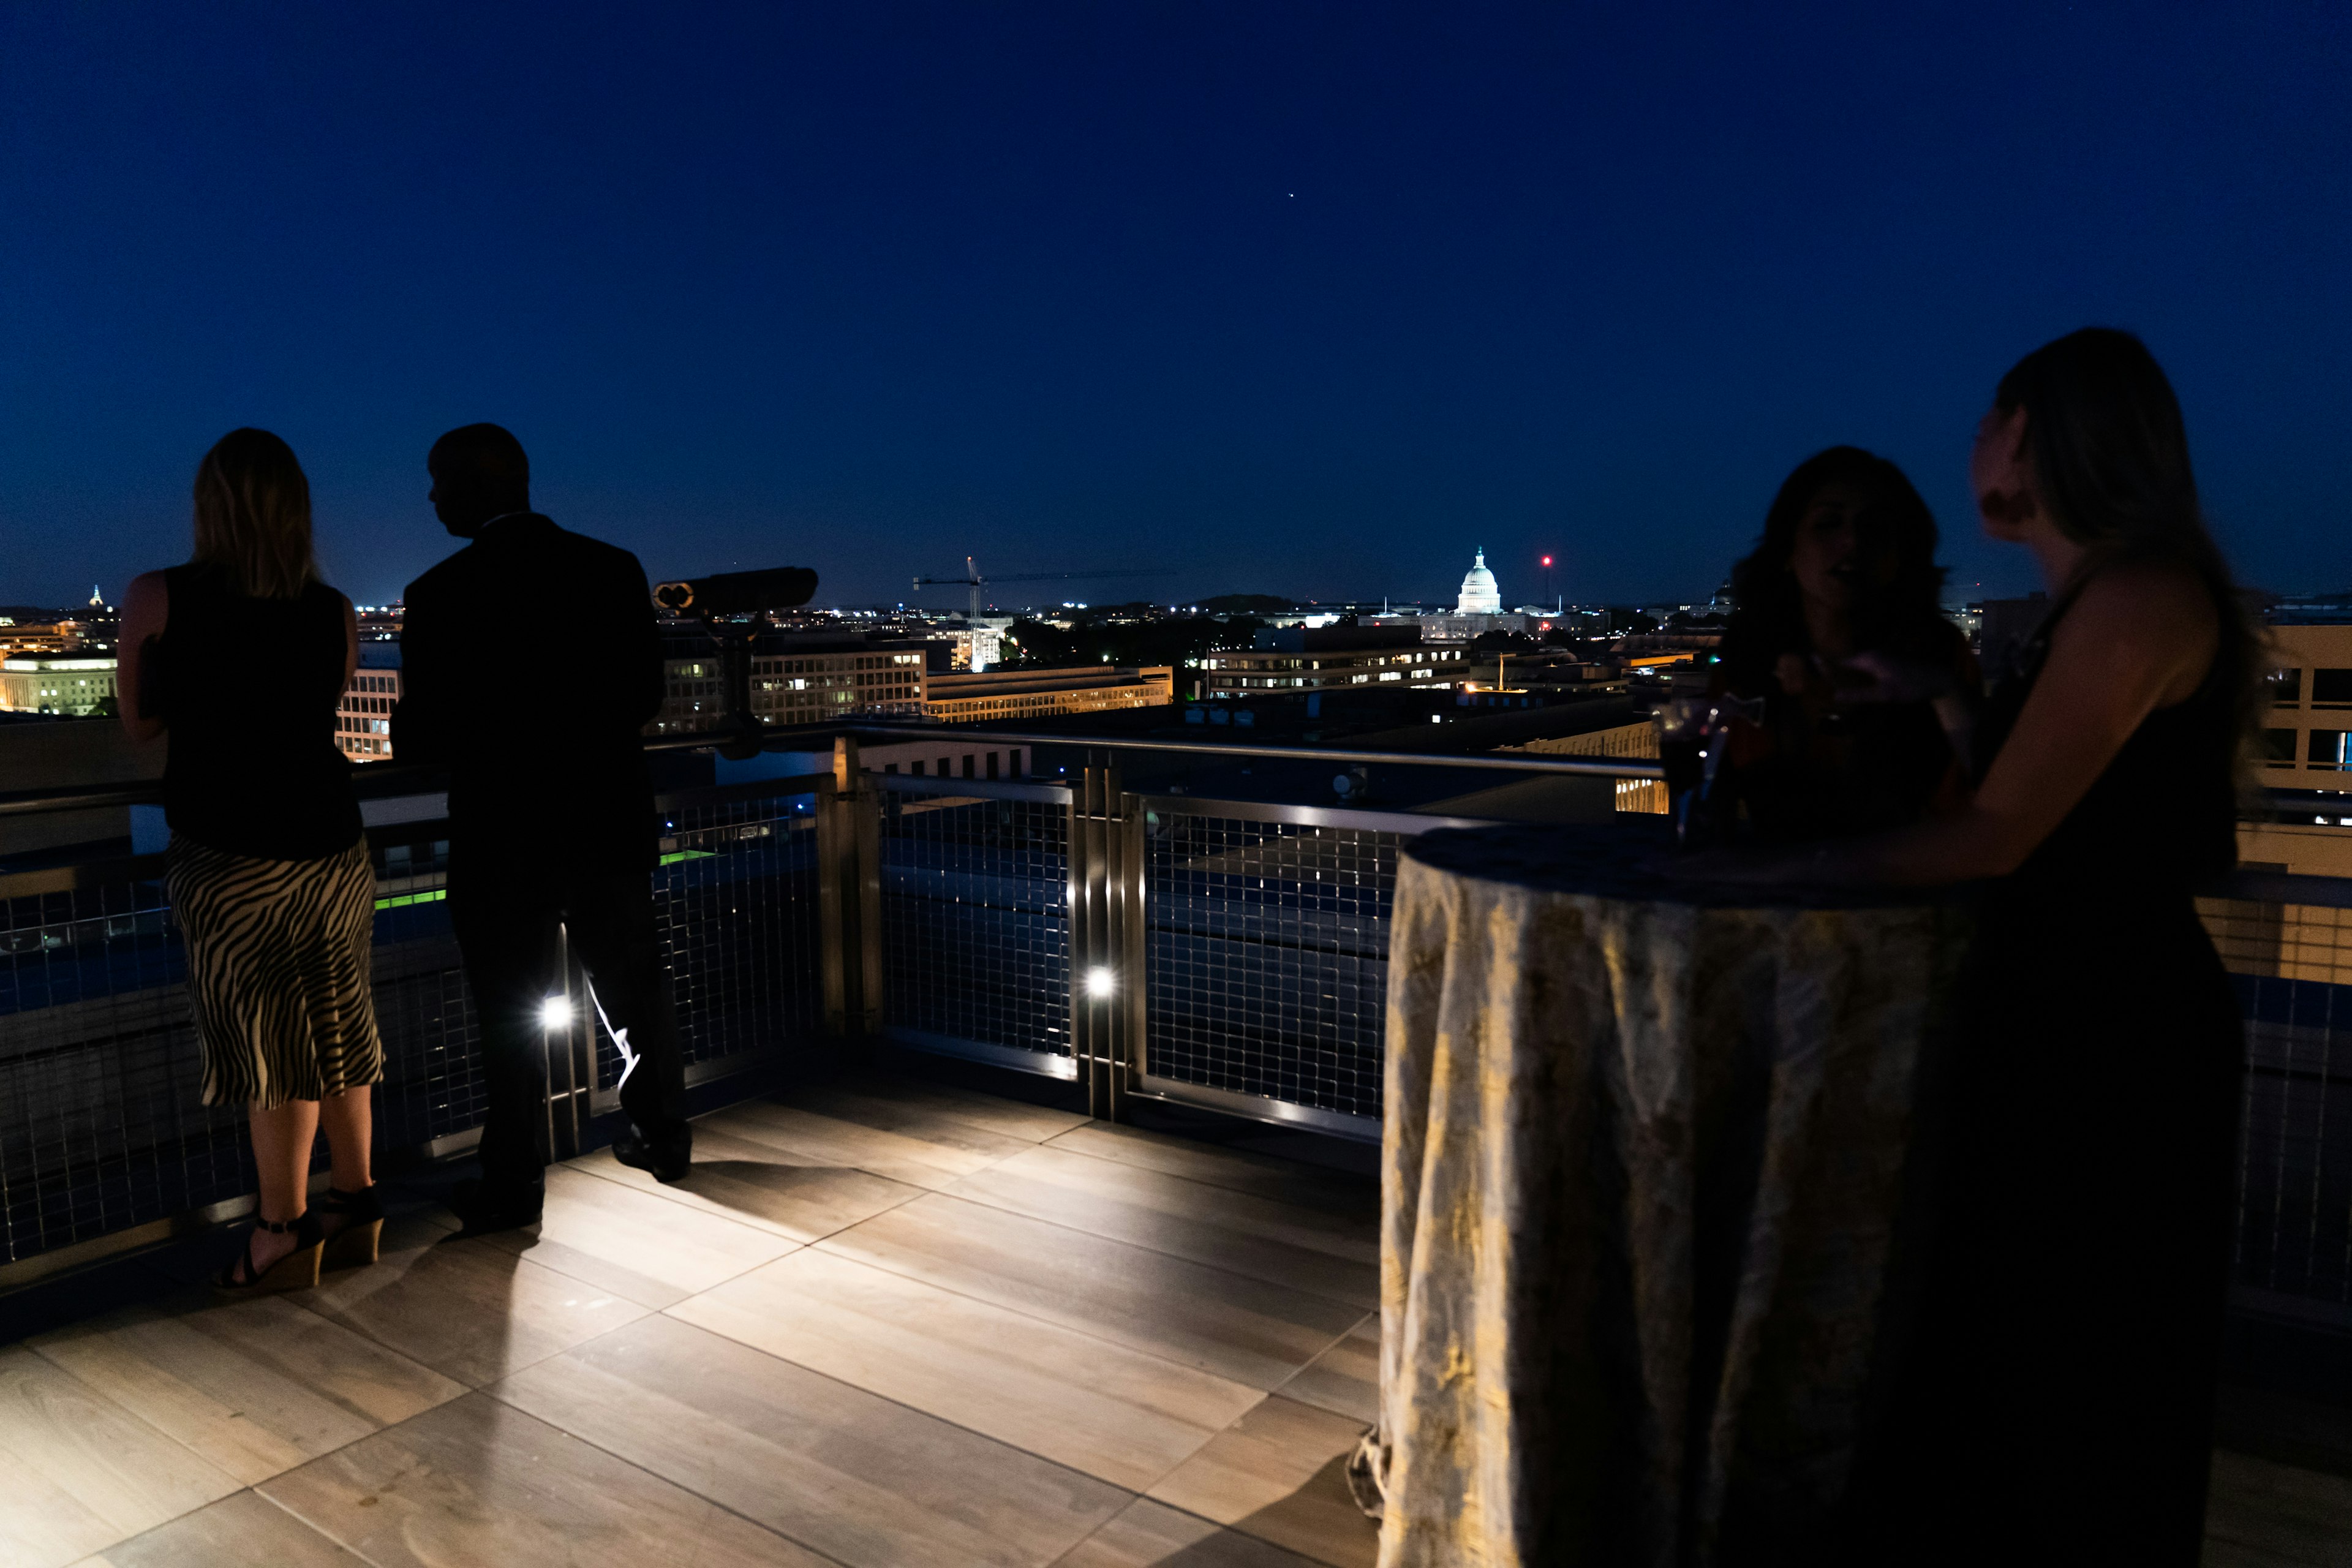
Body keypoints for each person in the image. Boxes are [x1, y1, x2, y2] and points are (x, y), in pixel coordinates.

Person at [1696, 331, 2251, 1562]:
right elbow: (2068, 797)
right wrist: (1944, 700)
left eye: (1998, 417)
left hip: (2109, 1040)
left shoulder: (2135, 597)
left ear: (2053, 438)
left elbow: (2002, 833)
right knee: (2044, 1361)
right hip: (2082, 1019)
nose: (1975, 442)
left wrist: (1772, 869)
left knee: (2075, 1372)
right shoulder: (2106, 598)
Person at [390, 423, 690, 1234]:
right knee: (634, 989)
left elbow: (422, 739)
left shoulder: (440, 593)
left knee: (509, 1016)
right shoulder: (612, 569)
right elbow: (642, 698)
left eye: (437, 481)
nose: (430, 497)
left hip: (502, 837)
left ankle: (514, 1181)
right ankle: (665, 1136)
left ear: (469, 488)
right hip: (604, 818)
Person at [118, 429, 386, 1292]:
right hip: (333, 846)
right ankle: (356, 1199)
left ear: (209, 506)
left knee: (271, 1050)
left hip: (231, 853)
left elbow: (141, 725)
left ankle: (280, 1229)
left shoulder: (159, 597)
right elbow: (318, 712)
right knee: (340, 1027)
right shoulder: (334, 609)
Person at [1709, 447, 1979, 840]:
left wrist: (1946, 695)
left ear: (1900, 551)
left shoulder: (1940, 654)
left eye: (1874, 527)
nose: (1852, 541)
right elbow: (1714, 803)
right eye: (1828, 523)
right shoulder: (1746, 656)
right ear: (1788, 548)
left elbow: (1991, 806)